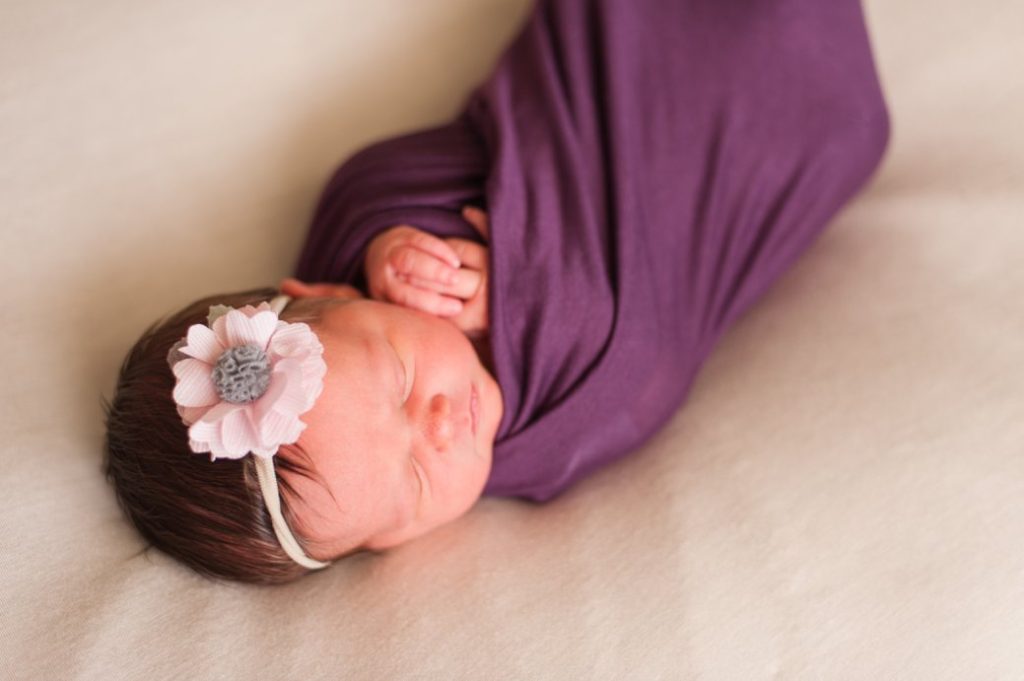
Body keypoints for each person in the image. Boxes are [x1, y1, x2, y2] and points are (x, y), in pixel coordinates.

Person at [104, 0, 890, 584]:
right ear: (381, 543)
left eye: (402, 379)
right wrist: (533, 291)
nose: (442, 426)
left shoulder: (361, 241)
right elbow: (639, 365)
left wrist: (389, 239)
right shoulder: (542, 449)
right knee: (811, 80)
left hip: (631, 70)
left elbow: (371, 179)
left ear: (330, 291)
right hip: (740, 166)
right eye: (412, 482)